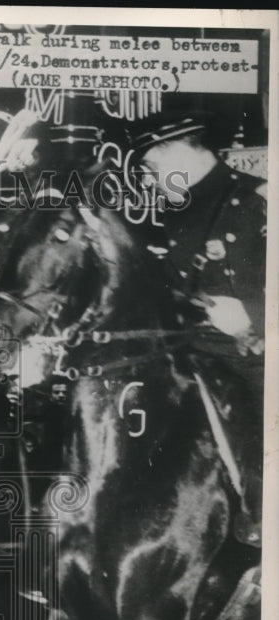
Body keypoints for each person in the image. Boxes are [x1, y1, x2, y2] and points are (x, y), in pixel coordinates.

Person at [127, 109, 266, 546]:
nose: (150, 176)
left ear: (181, 147)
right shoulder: (170, 213)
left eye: (152, 164)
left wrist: (253, 312)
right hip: (185, 354)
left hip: (251, 356)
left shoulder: (261, 200)